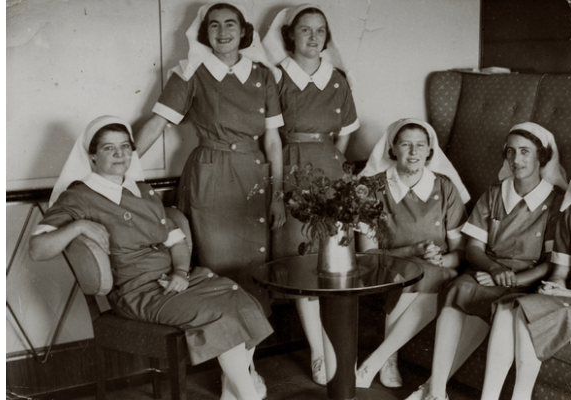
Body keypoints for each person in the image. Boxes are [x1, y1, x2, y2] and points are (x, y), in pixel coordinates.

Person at [30, 116, 273, 400]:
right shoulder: (80, 196)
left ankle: (233, 391)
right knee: (220, 312)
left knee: (243, 299)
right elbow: (37, 249)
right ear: (92, 156)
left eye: (125, 147)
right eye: (109, 148)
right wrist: (78, 226)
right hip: (137, 292)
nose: (120, 154)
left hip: (173, 281)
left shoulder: (143, 191)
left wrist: (181, 272)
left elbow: (176, 240)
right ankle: (247, 395)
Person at [134, 2, 286, 318]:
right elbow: (158, 123)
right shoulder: (191, 72)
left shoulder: (264, 75)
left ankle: (248, 359)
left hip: (254, 176)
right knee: (217, 265)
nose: (222, 31)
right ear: (205, 34)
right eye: (214, 25)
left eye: (230, 24)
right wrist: (125, 167)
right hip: (210, 174)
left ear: (244, 31)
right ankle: (227, 357)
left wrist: (279, 195)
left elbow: (272, 139)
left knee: (255, 263)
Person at [406, 122, 568, 400]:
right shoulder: (494, 193)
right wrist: (493, 268)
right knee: (457, 289)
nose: (517, 160)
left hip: (526, 281)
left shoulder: (555, 202)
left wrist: (510, 277)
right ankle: (437, 390)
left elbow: (550, 263)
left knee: (498, 302)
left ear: (541, 156)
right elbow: (473, 248)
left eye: (525, 152)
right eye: (511, 152)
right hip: (486, 271)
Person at [261, 3, 359, 386]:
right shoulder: (276, 77)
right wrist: (282, 183)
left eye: (320, 30)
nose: (314, 37)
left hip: (331, 173)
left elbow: (347, 129)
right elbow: (267, 134)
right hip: (292, 168)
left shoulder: (338, 78)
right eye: (306, 30)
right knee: (301, 261)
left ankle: (336, 349)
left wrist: (334, 164)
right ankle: (318, 353)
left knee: (333, 261)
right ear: (291, 35)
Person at [354, 118, 471, 389]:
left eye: (421, 145)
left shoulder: (445, 188)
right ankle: (388, 359)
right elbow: (368, 254)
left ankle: (381, 358)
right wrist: (414, 251)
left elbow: (461, 253)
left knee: (433, 275)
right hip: (385, 267)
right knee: (422, 275)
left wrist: (438, 259)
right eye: (406, 144)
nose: (414, 152)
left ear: (430, 151)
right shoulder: (372, 188)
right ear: (392, 149)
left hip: (437, 269)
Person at [479, 153, 571, 400]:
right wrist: (554, 286)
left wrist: (565, 293)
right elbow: (560, 271)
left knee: (531, 311)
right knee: (512, 306)